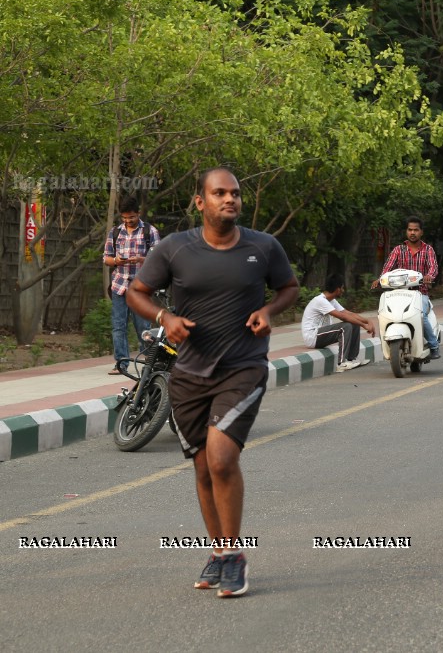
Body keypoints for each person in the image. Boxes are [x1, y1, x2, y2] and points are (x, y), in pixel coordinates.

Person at [127, 167, 299, 598]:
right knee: (203, 468)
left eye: (235, 193)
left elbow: (289, 287)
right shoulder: (173, 249)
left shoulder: (264, 246)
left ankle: (235, 556)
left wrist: (269, 311)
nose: (230, 200)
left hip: (243, 367)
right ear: (200, 202)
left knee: (222, 459)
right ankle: (219, 551)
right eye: (219, 193)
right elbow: (137, 291)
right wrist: (165, 317)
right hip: (187, 374)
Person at [102, 198, 161, 374]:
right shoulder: (115, 232)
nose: (128, 221)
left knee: (143, 328)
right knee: (118, 326)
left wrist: (142, 259)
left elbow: (159, 258)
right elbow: (106, 258)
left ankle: (150, 364)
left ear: (138, 214)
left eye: (132, 217)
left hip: (140, 288)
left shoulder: (149, 231)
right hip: (119, 285)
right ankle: (121, 363)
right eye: (125, 218)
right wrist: (116, 261)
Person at [374, 216, 441, 359]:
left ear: (421, 232)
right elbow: (387, 268)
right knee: (384, 314)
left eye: (416, 230)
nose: (412, 233)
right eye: (410, 230)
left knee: (421, 316)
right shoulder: (399, 250)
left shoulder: (428, 250)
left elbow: (433, 268)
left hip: (419, 294)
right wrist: (380, 279)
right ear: (406, 231)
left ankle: (434, 345)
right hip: (397, 295)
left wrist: (429, 276)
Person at [301, 274, 376, 370]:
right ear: (337, 289)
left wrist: (367, 321)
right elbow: (343, 317)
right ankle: (341, 363)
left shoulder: (331, 300)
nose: (343, 291)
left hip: (320, 334)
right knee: (345, 326)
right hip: (312, 337)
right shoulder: (320, 301)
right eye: (342, 288)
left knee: (354, 324)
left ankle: (351, 359)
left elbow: (348, 313)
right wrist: (364, 326)